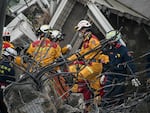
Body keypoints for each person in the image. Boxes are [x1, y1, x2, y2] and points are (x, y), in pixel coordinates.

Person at [67, 20, 109, 112]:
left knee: (78, 76)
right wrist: (68, 59)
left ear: (84, 29)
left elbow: (99, 50)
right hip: (91, 65)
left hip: (94, 66)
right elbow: (81, 53)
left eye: (80, 30)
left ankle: (73, 96)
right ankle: (91, 107)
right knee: (95, 88)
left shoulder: (92, 40)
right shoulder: (86, 41)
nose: (79, 33)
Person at [101, 30, 141, 105]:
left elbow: (130, 64)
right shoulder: (110, 50)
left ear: (115, 40)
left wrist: (134, 77)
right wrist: (104, 74)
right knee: (106, 95)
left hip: (120, 77)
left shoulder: (123, 50)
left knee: (117, 97)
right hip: (110, 75)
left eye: (110, 41)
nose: (108, 42)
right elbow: (108, 63)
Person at [0, 47, 17, 113]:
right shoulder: (10, 68)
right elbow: (12, 82)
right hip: (2, 91)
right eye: (12, 58)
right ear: (9, 57)